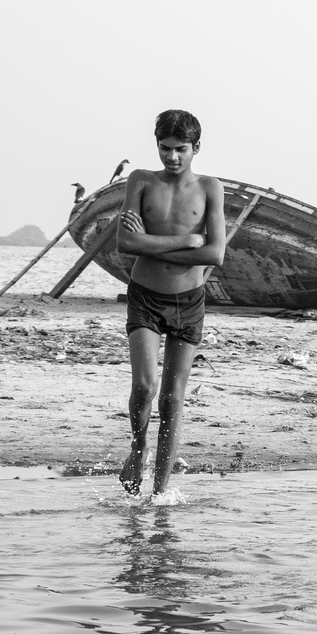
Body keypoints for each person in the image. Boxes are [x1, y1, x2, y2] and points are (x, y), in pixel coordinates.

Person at [115, 110, 226, 496]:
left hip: (189, 302)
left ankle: (160, 494)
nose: (172, 157)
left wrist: (155, 246)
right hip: (145, 296)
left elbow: (215, 255)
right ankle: (138, 446)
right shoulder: (141, 181)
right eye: (165, 148)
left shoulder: (210, 188)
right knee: (145, 387)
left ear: (196, 148)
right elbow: (125, 244)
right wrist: (185, 242)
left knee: (172, 398)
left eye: (181, 149)